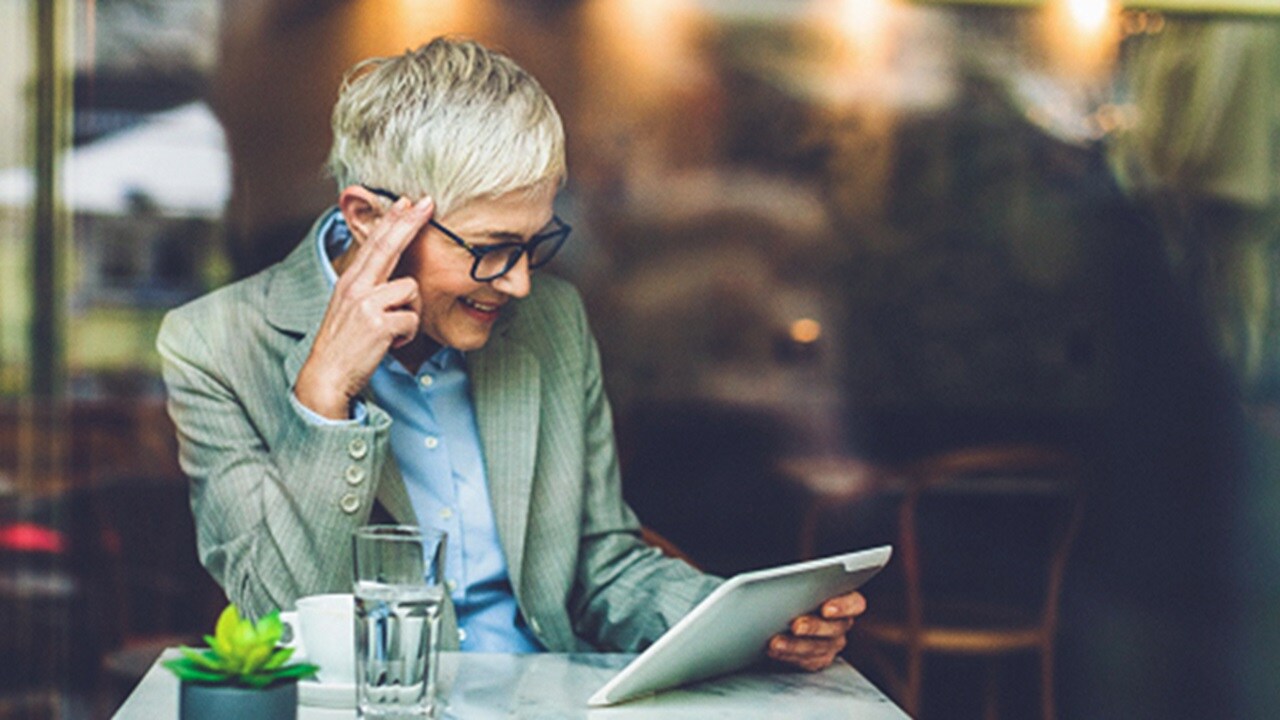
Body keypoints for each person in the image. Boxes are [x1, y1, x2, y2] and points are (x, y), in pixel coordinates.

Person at [158, 37, 864, 668]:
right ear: (369, 219)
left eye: (533, 244)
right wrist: (325, 398)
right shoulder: (214, 347)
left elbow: (600, 565)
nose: (523, 282)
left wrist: (748, 623)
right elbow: (276, 620)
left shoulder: (553, 321)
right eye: (493, 249)